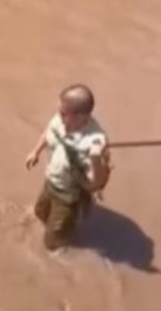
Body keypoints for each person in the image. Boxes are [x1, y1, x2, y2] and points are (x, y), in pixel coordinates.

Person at [25, 84, 111, 251]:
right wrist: (35, 152)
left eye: (63, 113)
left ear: (81, 117)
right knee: (39, 213)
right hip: (52, 181)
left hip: (68, 195)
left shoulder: (95, 141)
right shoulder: (61, 118)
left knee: (52, 243)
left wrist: (95, 158)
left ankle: (67, 242)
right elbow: (49, 131)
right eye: (59, 110)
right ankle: (68, 223)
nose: (59, 114)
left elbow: (97, 183)